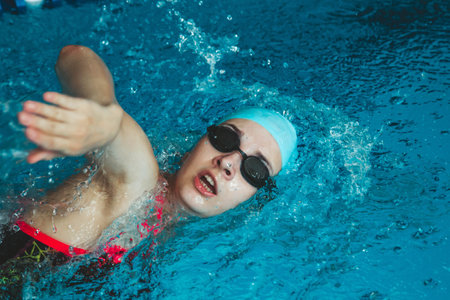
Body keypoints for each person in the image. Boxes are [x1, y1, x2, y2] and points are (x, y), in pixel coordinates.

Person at [0, 45, 297, 265]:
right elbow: (74, 56)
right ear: (196, 144)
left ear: (254, 197)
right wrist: (102, 111)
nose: (229, 162)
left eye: (255, 169)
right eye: (225, 138)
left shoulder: (174, 235)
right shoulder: (137, 180)